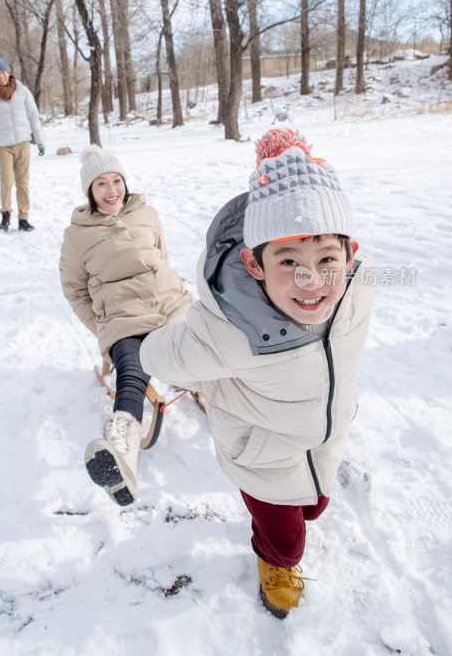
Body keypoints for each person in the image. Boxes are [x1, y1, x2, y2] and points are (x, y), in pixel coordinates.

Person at [140, 128, 376, 619]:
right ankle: (274, 561)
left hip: (323, 436)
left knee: (313, 506)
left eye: (327, 259)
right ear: (254, 264)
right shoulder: (231, 330)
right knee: (287, 539)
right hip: (262, 457)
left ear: (350, 256)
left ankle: (287, 528)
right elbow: (157, 357)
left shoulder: (358, 285)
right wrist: (185, 337)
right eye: (289, 261)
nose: (311, 281)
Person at [59, 146, 194, 507]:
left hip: (169, 304)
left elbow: (162, 257)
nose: (110, 189)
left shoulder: (146, 213)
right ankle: (123, 450)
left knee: (209, 346)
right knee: (132, 370)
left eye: (116, 180)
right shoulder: (77, 235)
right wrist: (102, 326)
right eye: (101, 183)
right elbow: (73, 290)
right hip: (122, 318)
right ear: (90, 191)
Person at [0, 58, 45, 232]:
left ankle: (23, 218)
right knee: (7, 182)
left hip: (23, 143)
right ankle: (6, 215)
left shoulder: (23, 92)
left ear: (9, 72)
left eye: (3, 72)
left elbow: (33, 116)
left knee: (23, 182)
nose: (1, 76)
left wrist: (39, 141)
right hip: (3, 146)